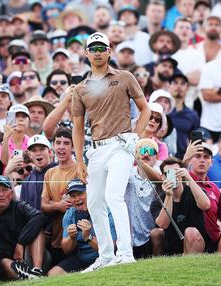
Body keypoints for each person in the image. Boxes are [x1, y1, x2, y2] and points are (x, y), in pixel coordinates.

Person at [71, 32, 151, 270]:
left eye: (101, 48)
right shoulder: (81, 89)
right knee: (95, 203)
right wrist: (79, 161)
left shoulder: (125, 77)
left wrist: (135, 137)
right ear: (86, 54)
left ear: (109, 50)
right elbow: (77, 126)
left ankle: (125, 254)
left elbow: (145, 109)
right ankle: (106, 257)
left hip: (121, 146)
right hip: (95, 150)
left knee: (114, 196)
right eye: (92, 49)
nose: (97, 52)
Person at [0, 176, 48, 280]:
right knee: (4, 262)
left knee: (37, 230)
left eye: (5, 190)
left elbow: (39, 217)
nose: (1, 194)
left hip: (26, 257)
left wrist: (20, 243)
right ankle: (28, 278)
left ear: (11, 192)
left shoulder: (19, 206)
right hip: (3, 266)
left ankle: (37, 271)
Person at [48, 179, 116, 276]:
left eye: (80, 194)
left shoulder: (105, 209)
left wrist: (88, 237)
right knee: (53, 274)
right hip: (82, 259)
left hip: (105, 257)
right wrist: (71, 237)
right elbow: (66, 250)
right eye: (73, 196)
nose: (77, 199)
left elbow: (112, 247)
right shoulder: (69, 214)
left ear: (89, 193)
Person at [40, 128, 85, 263]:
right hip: (56, 237)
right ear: (53, 146)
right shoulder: (49, 173)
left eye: (66, 143)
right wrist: (58, 205)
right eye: (58, 142)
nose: (61, 147)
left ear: (73, 146)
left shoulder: (81, 169)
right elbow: (43, 205)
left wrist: (54, 203)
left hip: (80, 236)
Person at [153, 157, 211, 255]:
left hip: (195, 242)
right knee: (156, 233)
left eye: (176, 172)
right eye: (169, 173)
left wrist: (189, 178)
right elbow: (163, 224)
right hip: (170, 246)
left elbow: (206, 205)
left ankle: (189, 266)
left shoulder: (193, 190)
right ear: (163, 177)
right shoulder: (159, 199)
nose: (173, 176)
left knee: (190, 231)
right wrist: (169, 195)